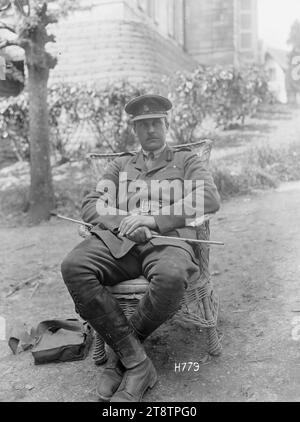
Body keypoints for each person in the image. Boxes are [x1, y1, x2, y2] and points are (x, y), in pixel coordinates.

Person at [61, 94, 221, 402]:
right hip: (119, 240)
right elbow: (90, 204)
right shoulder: (121, 165)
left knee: (173, 277)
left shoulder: (186, 160)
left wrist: (152, 220)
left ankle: (122, 357)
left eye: (155, 123)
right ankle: (137, 362)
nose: (150, 130)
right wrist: (126, 221)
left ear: (166, 124)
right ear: (135, 130)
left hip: (167, 240)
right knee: (74, 267)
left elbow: (209, 198)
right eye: (143, 125)